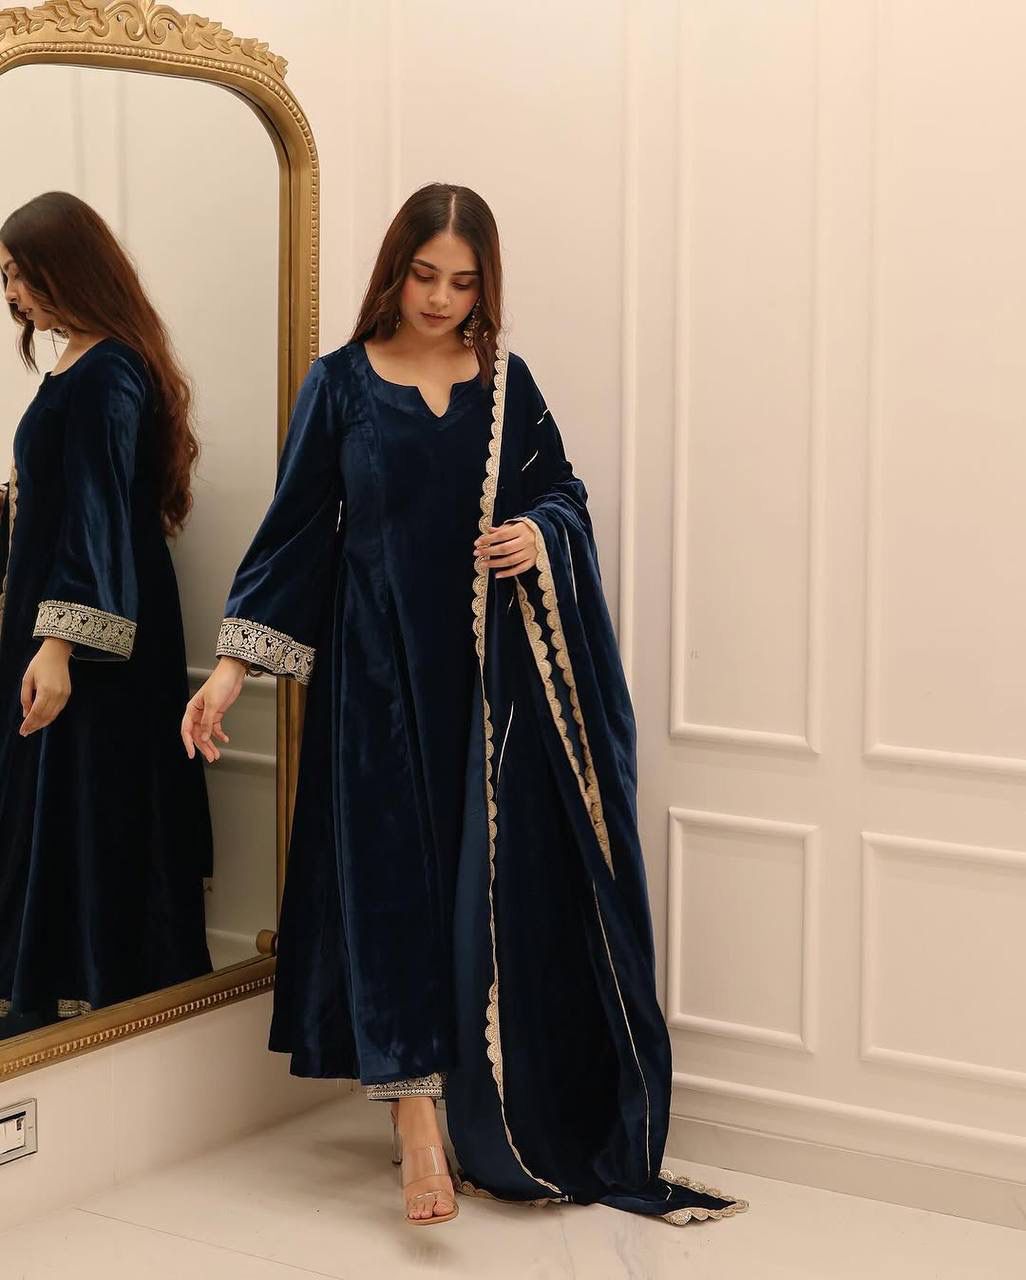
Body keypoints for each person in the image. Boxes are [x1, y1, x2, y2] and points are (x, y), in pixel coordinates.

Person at [183, 182, 747, 1229]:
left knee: (477, 895)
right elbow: (295, 530)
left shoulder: (504, 384)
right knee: (390, 884)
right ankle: (414, 1123)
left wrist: (539, 534)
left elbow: (562, 491)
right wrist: (228, 670)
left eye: (464, 281)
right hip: (376, 682)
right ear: (393, 270)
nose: (441, 298)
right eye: (424, 275)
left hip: (492, 688)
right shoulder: (341, 384)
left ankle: (483, 1101)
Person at [0, 191, 213, 1040]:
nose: (13, 294)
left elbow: (94, 513)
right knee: (58, 809)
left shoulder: (110, 372)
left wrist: (58, 646)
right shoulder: (83, 363)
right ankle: (48, 994)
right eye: (5, 278)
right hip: (65, 621)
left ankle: (93, 1003)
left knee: (95, 809)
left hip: (93, 643)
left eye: (21, 274)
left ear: (68, 269)